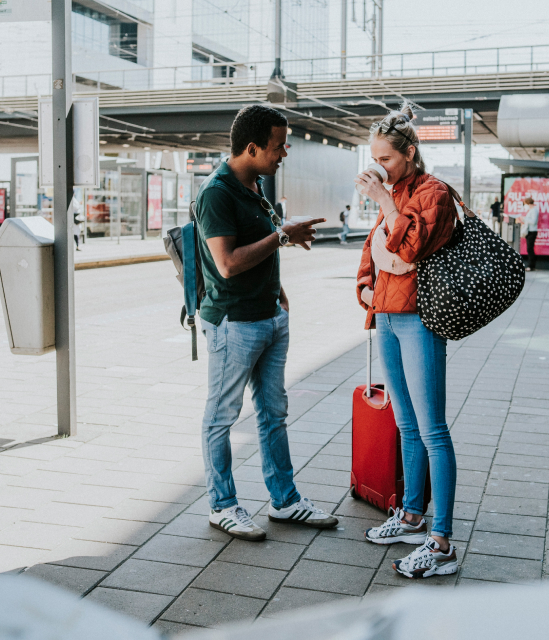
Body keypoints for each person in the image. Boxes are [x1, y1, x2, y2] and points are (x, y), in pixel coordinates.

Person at [194, 105, 337, 541]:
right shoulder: (216, 193)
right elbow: (227, 263)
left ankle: (284, 500)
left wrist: (279, 294)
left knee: (274, 413)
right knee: (222, 416)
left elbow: (262, 247)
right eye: (279, 146)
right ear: (253, 147)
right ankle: (222, 506)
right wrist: (282, 236)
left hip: (270, 317)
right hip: (234, 324)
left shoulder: (255, 186)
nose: (284, 153)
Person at [355, 100, 459, 579]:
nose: (380, 166)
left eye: (388, 158)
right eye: (375, 158)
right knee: (406, 424)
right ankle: (413, 517)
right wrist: (365, 285)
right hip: (388, 316)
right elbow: (374, 247)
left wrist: (384, 199)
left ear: (410, 153)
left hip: (419, 318)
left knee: (433, 429)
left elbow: (410, 245)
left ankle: (441, 543)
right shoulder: (394, 192)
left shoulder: (433, 193)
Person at [522, 196, 539, 271]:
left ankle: (531, 265)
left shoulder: (534, 210)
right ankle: (531, 265)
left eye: (525, 204)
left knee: (530, 249)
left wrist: (524, 218)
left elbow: (533, 221)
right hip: (529, 231)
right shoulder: (531, 210)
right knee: (529, 249)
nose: (524, 205)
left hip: (532, 231)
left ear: (528, 203)